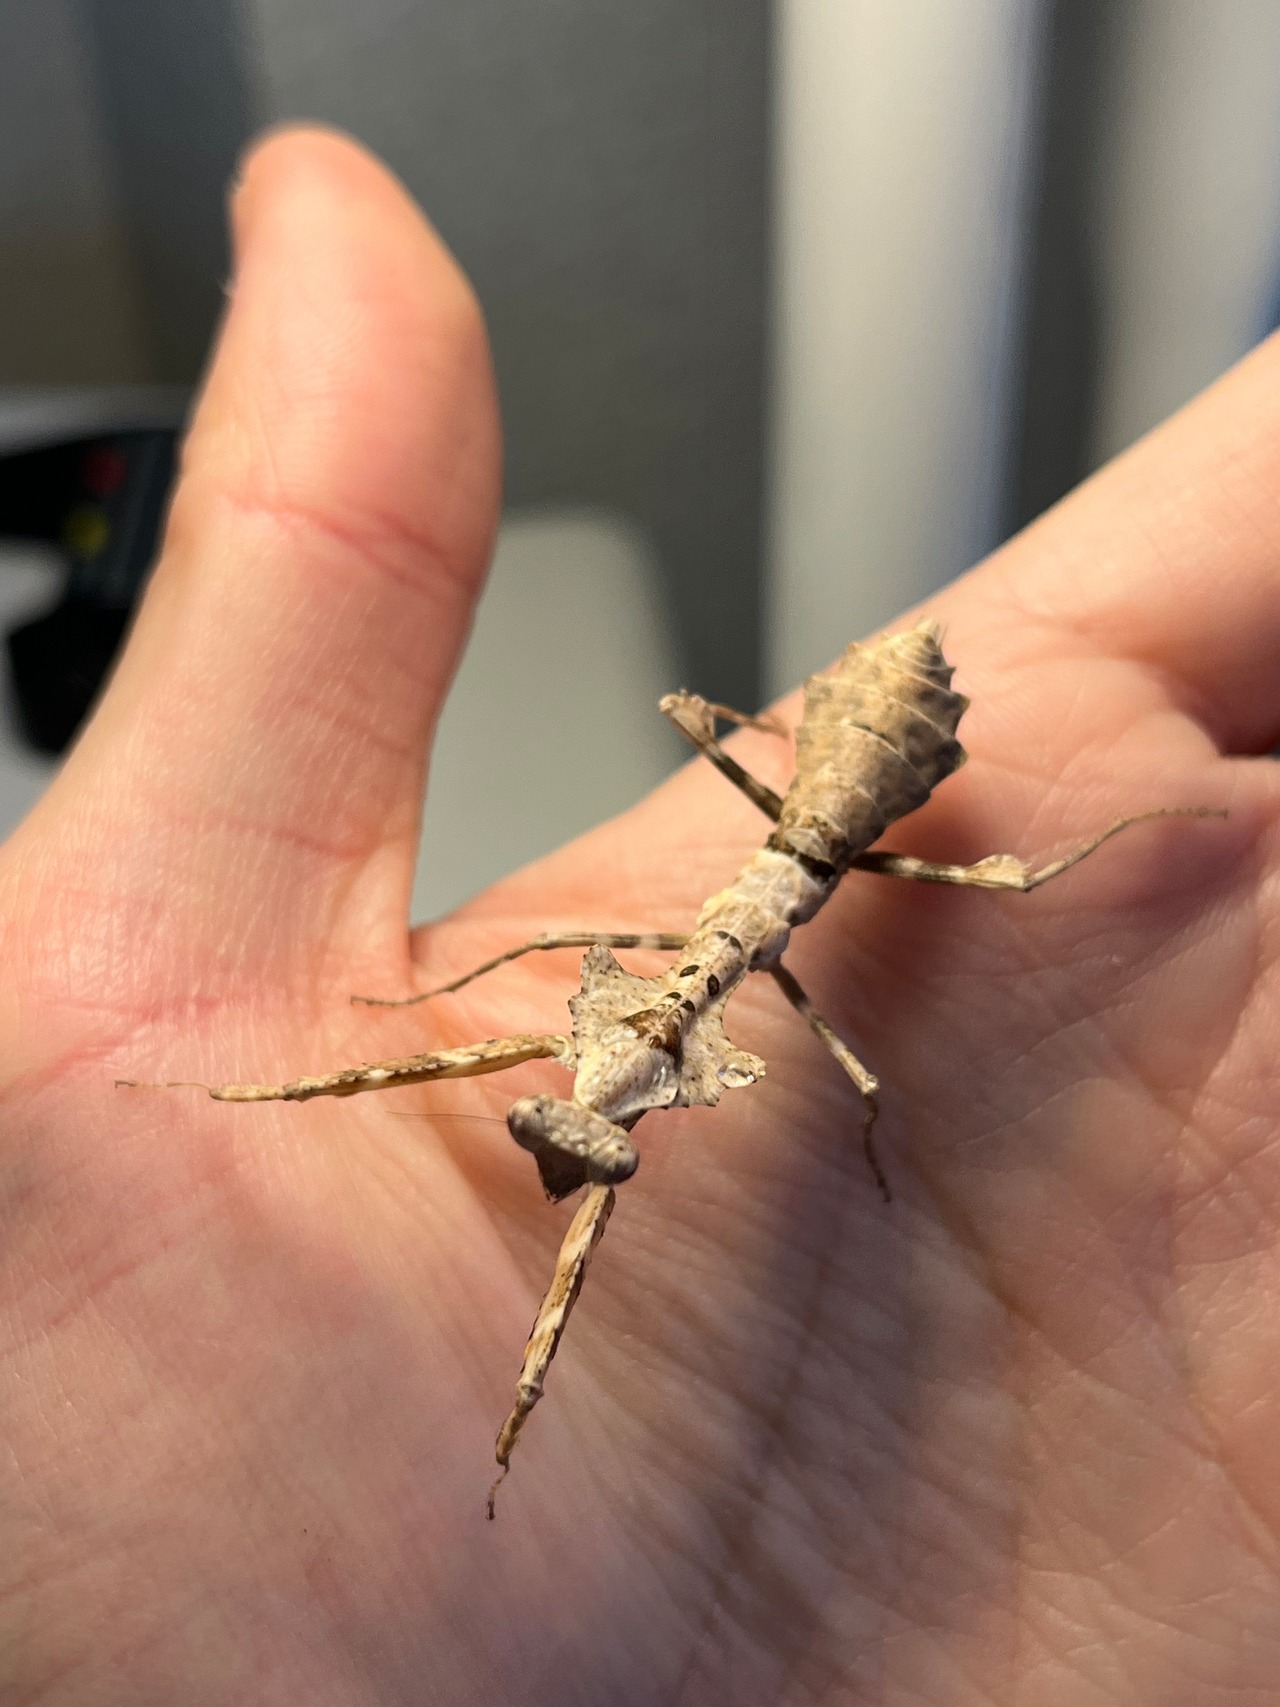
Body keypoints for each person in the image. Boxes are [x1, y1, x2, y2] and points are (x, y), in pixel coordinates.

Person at [1, 125, 1274, 1701]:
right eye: (589, 1134)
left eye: (579, 1127)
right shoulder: (654, 1021)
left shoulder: (668, 1012)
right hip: (822, 799)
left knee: (981, 889)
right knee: (763, 932)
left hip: (850, 782)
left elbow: (650, 1028)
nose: (574, 1138)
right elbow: (589, 1022)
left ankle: (1141, 817)